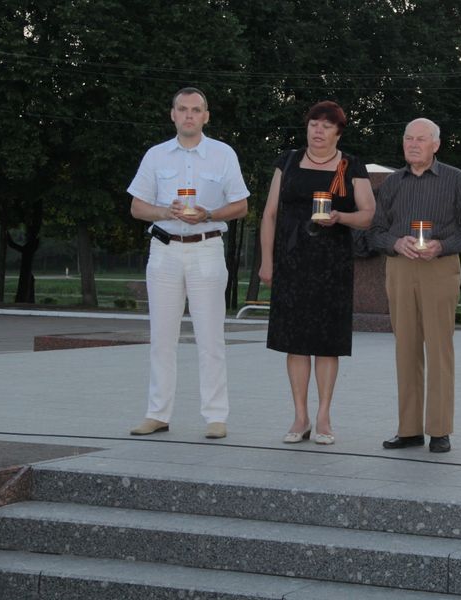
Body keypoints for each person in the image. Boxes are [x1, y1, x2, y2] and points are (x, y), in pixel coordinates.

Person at [128, 87, 249, 439]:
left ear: (206, 116)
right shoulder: (156, 156)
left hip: (206, 249)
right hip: (164, 250)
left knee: (210, 337)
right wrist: (166, 211)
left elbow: (241, 206)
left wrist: (209, 213)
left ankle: (215, 416)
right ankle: (157, 413)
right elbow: (137, 207)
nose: (189, 116)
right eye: (183, 109)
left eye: (196, 110)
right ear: (173, 114)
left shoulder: (223, 155)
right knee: (161, 338)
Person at [259, 101, 375, 446]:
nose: (318, 131)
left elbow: (368, 214)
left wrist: (341, 218)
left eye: (326, 126)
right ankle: (300, 416)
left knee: (326, 345)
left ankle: (323, 416)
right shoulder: (288, 161)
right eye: (313, 124)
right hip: (291, 262)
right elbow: (269, 215)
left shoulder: (351, 164)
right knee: (295, 344)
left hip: (332, 265)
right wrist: (268, 260)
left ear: (338, 131)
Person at [369, 118, 461, 453]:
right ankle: (408, 429)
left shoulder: (454, 179)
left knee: (438, 349)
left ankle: (439, 429)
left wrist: (442, 245)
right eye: (408, 138)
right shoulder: (392, 184)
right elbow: (375, 231)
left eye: (421, 139)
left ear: (436, 144)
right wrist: (395, 241)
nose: (413, 144)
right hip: (400, 268)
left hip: (439, 266)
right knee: (405, 348)